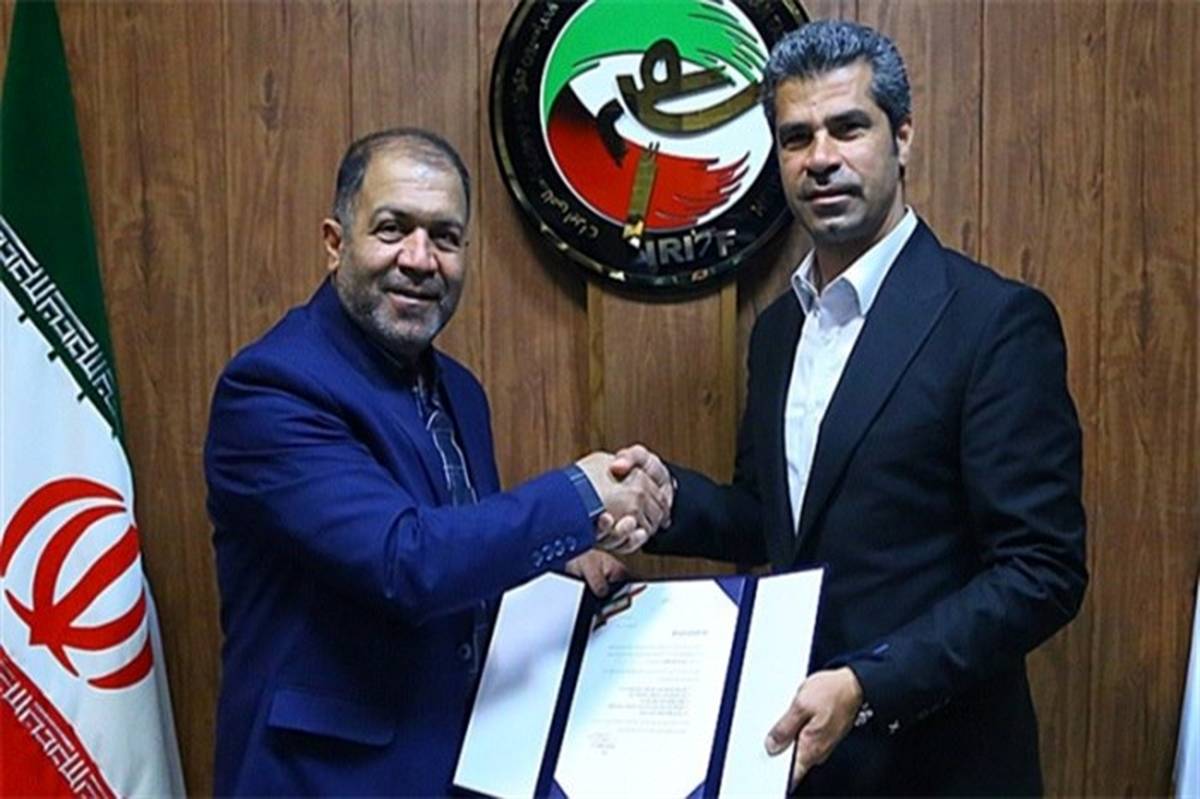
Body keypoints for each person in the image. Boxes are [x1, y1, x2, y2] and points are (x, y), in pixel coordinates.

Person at [614, 20, 1087, 795]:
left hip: (945, 769)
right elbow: (771, 519)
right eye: (796, 137)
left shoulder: (993, 321)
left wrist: (870, 682)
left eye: (848, 127)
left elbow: (1043, 570)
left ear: (902, 138)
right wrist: (662, 500)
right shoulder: (778, 331)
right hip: (801, 761)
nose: (821, 157)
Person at [203, 128, 671, 796]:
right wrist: (580, 494)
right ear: (336, 243)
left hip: (462, 769)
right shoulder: (273, 388)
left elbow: (457, 554)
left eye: (445, 237)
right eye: (392, 229)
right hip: (324, 783)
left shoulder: (460, 390)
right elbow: (406, 561)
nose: (420, 259)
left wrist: (557, 563)